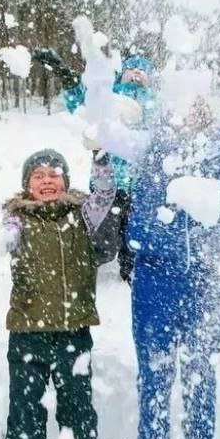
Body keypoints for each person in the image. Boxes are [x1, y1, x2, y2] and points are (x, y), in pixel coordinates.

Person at [125, 95, 220, 439]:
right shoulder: (149, 147)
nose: (188, 112)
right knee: (155, 369)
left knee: (201, 370)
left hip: (208, 279)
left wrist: (219, 245)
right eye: (181, 101)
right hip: (156, 278)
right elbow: (107, 133)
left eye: (197, 103)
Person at [0, 147, 119, 439]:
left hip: (73, 333)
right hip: (27, 335)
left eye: (54, 173)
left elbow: (104, 196)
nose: (47, 180)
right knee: (25, 417)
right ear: (26, 184)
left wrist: (102, 162)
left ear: (66, 181)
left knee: (79, 415)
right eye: (38, 175)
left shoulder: (81, 215)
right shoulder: (15, 219)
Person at [32, 47, 157, 283]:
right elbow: (80, 106)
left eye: (143, 70)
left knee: (136, 234)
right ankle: (80, 262)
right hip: (107, 183)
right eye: (131, 68)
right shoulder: (109, 97)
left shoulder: (154, 104)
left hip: (143, 187)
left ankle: (130, 267)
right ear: (121, 74)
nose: (137, 73)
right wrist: (67, 77)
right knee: (104, 235)